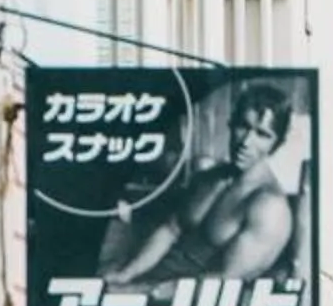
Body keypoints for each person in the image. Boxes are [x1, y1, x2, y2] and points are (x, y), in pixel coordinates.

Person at [103, 78, 304, 289]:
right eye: (243, 126)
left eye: (262, 134)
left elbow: (224, 280)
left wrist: (142, 292)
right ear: (231, 124)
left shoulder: (269, 208)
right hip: (154, 277)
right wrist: (127, 274)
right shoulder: (211, 177)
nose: (246, 142)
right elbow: (171, 229)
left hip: (188, 300)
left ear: (276, 144)